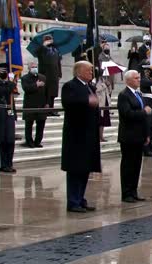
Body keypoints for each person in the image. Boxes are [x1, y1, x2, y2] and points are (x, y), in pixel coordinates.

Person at [61, 61, 101, 213]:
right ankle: (73, 201)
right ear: (79, 72)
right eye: (89, 70)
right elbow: (68, 103)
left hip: (89, 134)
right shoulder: (70, 86)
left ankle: (80, 198)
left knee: (85, 169)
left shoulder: (89, 87)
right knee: (75, 169)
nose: (91, 73)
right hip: (76, 135)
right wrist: (86, 101)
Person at [118, 70, 152, 203]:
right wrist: (144, 112)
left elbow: (144, 118)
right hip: (128, 136)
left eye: (139, 78)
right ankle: (126, 193)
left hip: (139, 135)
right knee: (128, 165)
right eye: (136, 78)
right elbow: (127, 114)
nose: (139, 80)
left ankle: (134, 191)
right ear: (128, 80)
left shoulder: (138, 94)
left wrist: (147, 134)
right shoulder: (124, 95)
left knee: (137, 165)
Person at [0, 63, 16, 173]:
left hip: (9, 111)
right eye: (1, 71)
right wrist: (11, 82)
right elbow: (4, 91)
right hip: (1, 111)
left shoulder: (8, 83)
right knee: (3, 139)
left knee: (10, 140)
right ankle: (3, 164)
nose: (4, 73)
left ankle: (9, 163)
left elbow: (12, 92)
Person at [21, 62, 48, 148]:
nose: (35, 68)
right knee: (29, 125)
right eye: (33, 67)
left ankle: (38, 141)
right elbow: (26, 89)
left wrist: (47, 103)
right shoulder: (25, 78)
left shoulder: (43, 77)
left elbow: (47, 91)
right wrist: (36, 85)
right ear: (29, 68)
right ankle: (29, 142)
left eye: (36, 67)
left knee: (41, 125)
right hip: (30, 105)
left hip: (41, 104)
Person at [37, 34, 62, 116]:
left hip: (54, 74)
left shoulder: (55, 50)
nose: (50, 41)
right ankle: (45, 109)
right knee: (46, 92)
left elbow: (58, 63)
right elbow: (38, 53)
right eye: (48, 39)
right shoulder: (42, 49)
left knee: (53, 93)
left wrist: (59, 74)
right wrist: (44, 45)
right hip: (45, 74)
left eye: (51, 39)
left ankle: (51, 109)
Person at [140, 68, 152, 157]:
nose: (147, 73)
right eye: (146, 71)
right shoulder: (143, 80)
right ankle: (146, 149)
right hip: (147, 103)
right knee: (148, 126)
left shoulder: (150, 79)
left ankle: (150, 148)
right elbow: (151, 83)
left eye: (148, 71)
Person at [95, 75, 112, 142]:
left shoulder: (104, 79)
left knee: (103, 122)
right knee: (100, 121)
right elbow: (97, 89)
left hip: (105, 102)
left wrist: (108, 85)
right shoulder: (96, 80)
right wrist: (104, 85)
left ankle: (101, 136)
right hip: (100, 102)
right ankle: (98, 136)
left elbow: (109, 92)